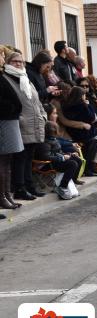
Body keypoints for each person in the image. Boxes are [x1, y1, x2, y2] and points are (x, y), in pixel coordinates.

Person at [4, 50, 47, 199]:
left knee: (29, 157)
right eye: (15, 61)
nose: (19, 64)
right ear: (8, 63)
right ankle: (20, 188)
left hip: (34, 122)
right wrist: (20, 118)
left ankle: (29, 185)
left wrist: (43, 115)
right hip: (20, 124)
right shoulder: (6, 78)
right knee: (20, 158)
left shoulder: (25, 78)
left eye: (21, 61)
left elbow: (36, 101)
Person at [0, 46, 25, 213]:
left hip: (10, 120)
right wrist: (11, 108)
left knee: (7, 160)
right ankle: (2, 196)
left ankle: (7, 194)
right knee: (2, 161)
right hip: (4, 120)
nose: (3, 58)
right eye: (1, 55)